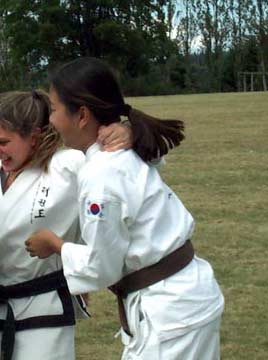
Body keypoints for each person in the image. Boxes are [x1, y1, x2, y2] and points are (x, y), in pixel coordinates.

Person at [25, 57, 224, 359]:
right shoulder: (121, 150)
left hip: (170, 314)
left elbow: (101, 266)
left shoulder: (102, 171)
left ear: (82, 115)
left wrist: (55, 245)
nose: (50, 119)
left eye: (53, 109)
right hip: (185, 300)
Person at [0, 90, 134, 360]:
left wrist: (128, 133)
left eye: (2, 141)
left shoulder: (68, 166)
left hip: (43, 306)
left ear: (34, 136)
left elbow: (122, 171)